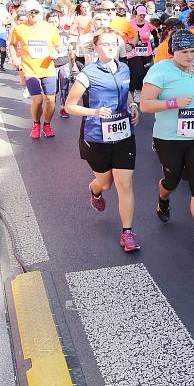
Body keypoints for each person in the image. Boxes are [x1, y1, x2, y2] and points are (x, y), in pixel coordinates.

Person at [64, 27, 141, 252]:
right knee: (106, 183)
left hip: (124, 135)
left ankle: (127, 233)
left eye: (113, 43)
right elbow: (70, 105)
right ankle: (95, 190)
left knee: (124, 184)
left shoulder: (125, 69)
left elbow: (125, 95)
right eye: (104, 44)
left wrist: (133, 106)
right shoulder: (88, 73)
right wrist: (94, 113)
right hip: (96, 137)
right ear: (96, 47)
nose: (109, 47)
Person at [140, 29, 194, 253]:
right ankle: (163, 199)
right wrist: (173, 103)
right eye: (184, 52)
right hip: (169, 137)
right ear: (173, 51)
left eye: (193, 51)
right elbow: (145, 104)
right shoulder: (159, 71)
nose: (190, 56)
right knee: (171, 180)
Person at [8, 0, 61, 139]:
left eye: (35, 12)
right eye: (30, 12)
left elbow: (58, 46)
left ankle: (47, 124)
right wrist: (14, 58)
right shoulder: (19, 29)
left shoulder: (50, 28)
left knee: (50, 100)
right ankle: (36, 124)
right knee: (37, 100)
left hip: (48, 69)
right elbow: (12, 44)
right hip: (30, 69)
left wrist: (55, 53)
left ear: (41, 13)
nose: (33, 15)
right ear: (26, 13)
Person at [126, 5, 155, 103]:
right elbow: (125, 36)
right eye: (140, 15)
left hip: (147, 52)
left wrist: (157, 45)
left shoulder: (147, 24)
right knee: (138, 72)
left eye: (144, 15)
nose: (142, 16)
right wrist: (130, 43)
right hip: (135, 53)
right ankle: (137, 90)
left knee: (148, 73)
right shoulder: (130, 24)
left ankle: (146, 92)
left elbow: (155, 33)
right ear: (135, 14)